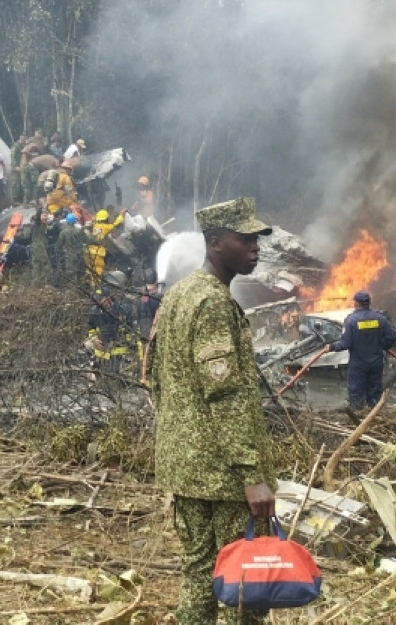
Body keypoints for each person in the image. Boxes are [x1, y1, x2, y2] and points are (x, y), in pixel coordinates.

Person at [152, 197, 277, 625]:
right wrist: (252, 475)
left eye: (257, 239)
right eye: (245, 239)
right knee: (244, 587)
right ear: (216, 243)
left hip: (186, 470)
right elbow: (225, 396)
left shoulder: (178, 296)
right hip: (224, 478)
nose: (255, 247)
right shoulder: (214, 305)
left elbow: (155, 376)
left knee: (198, 575)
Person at [327, 290, 396, 411]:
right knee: (375, 392)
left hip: (358, 364)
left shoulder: (351, 320)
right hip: (376, 362)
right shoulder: (380, 319)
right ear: (369, 303)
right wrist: (381, 346)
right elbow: (391, 338)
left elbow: (346, 343)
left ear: (356, 304)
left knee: (356, 393)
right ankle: (374, 416)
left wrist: (331, 347)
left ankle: (357, 416)